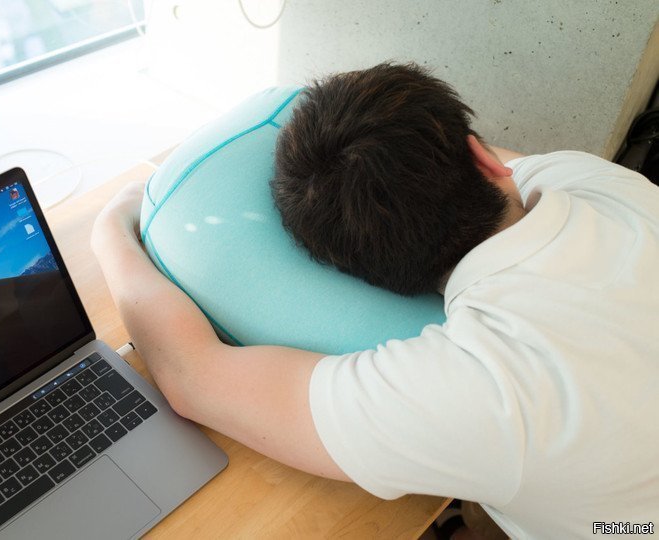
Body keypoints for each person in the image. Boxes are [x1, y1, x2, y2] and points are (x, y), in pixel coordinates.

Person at [91, 62, 659, 539]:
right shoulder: (603, 185)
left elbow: (190, 377)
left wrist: (109, 229)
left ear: (351, 271)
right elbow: (498, 163)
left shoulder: (474, 388)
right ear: (481, 158)